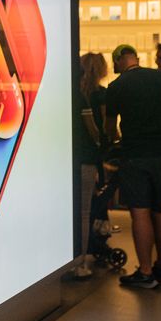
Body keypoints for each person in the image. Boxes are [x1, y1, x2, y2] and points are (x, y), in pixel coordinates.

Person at [105, 44, 161, 289]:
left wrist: (117, 137)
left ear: (120, 61)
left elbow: (110, 127)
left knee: (140, 211)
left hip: (135, 154)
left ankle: (145, 271)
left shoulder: (117, 86)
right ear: (137, 58)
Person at [70, 54, 107, 278]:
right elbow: (94, 130)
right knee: (84, 211)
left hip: (68, 159)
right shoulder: (88, 98)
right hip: (86, 158)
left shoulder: (66, 96)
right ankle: (79, 262)